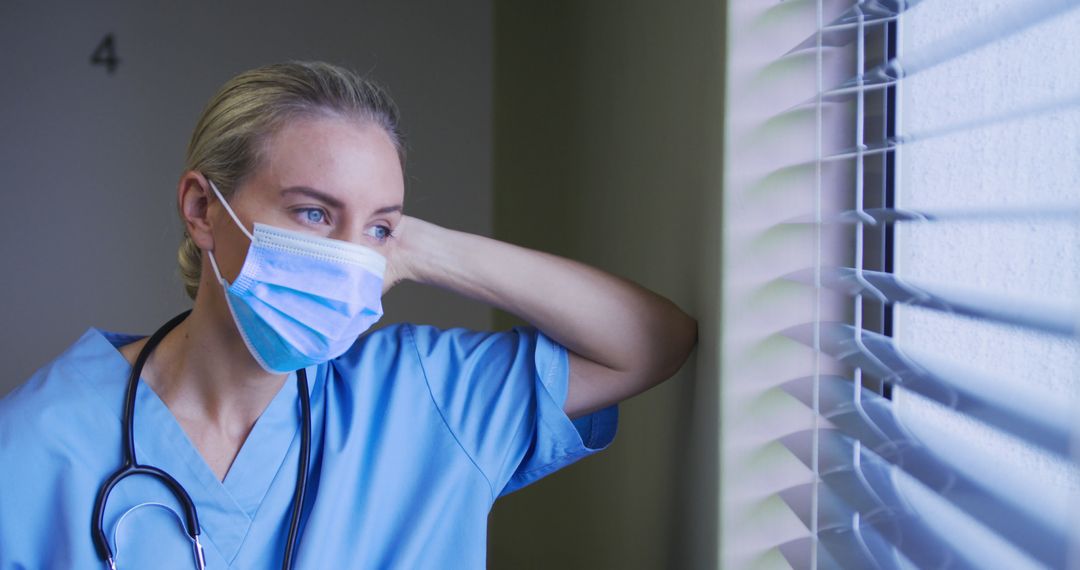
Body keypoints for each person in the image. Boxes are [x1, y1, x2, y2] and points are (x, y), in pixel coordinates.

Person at [0, 61, 697, 569]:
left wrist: (418, 245)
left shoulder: (422, 398)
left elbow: (651, 342)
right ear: (202, 209)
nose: (347, 258)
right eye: (313, 212)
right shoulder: (36, 448)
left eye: (375, 229)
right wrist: (369, 226)